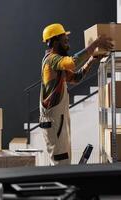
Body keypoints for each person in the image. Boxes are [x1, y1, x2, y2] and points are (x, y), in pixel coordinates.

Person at [39, 23, 113, 165]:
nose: (68, 41)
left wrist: (91, 61)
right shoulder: (51, 60)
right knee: (60, 161)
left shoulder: (58, 64)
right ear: (54, 41)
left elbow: (76, 77)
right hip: (54, 121)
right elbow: (73, 62)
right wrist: (95, 44)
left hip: (58, 120)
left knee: (62, 159)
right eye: (64, 38)